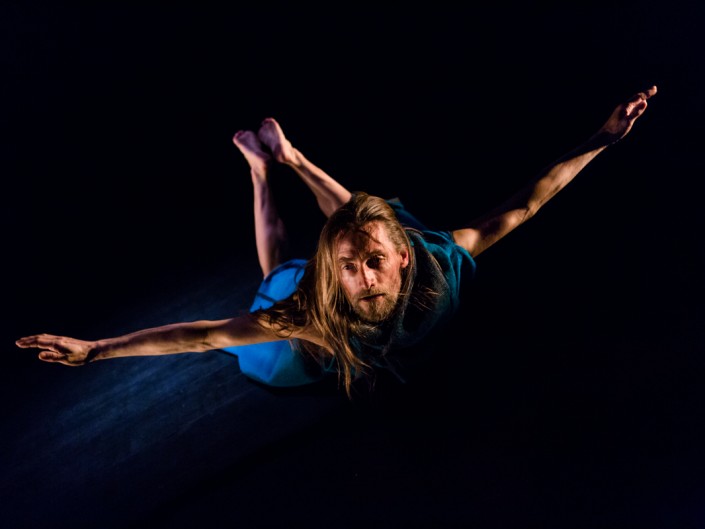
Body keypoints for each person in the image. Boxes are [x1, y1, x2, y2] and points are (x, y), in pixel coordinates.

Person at [16, 85, 658, 397]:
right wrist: (95, 351)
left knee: (356, 218)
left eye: (375, 261)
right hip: (308, 336)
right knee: (274, 279)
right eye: (350, 267)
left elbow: (527, 203)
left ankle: (286, 160)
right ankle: (268, 167)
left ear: (404, 258)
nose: (367, 275)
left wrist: (603, 136)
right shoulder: (313, 314)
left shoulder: (441, 257)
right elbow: (204, 334)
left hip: (382, 288)